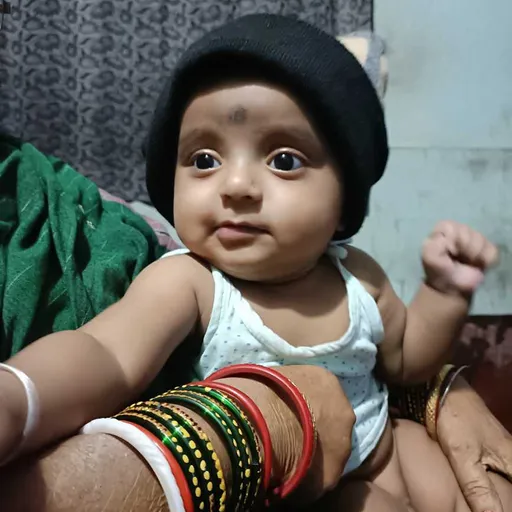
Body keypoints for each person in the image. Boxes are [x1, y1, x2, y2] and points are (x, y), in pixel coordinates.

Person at [0, 13, 510, 512]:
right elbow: (106, 353)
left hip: (385, 446)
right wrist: (19, 398)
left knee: (478, 487)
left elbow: (406, 361)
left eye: (284, 160)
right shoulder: (190, 282)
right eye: (204, 160)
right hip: (305, 483)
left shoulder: (357, 276)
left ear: (343, 203)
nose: (237, 186)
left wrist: (444, 294)